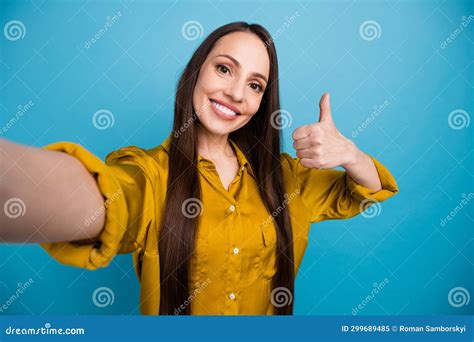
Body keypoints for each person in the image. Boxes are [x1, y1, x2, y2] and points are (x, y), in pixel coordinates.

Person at [0, 22, 398, 315]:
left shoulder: (288, 178)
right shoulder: (150, 174)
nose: (236, 93)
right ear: (196, 72)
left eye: (256, 85)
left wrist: (350, 153)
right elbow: (101, 198)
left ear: (263, 102)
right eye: (224, 69)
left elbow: (363, 190)